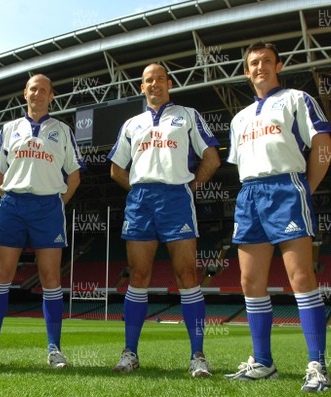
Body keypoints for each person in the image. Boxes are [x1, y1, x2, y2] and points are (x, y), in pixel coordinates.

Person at [224, 42, 331, 392]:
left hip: (287, 187)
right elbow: (240, 164)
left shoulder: (297, 99)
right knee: (249, 281)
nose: (260, 68)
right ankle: (263, 362)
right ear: (246, 70)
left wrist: (306, 187)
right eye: (253, 63)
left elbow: (323, 144)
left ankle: (317, 364)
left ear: (278, 65)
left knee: (300, 277)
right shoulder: (239, 118)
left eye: (266, 62)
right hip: (250, 194)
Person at [107, 63, 221, 376]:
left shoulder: (187, 115)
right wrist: (140, 186)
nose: (154, 84)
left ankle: (197, 356)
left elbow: (212, 157)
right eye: (148, 80)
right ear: (141, 87)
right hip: (141, 201)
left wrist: (191, 185)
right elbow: (116, 168)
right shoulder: (132, 123)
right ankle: (130, 353)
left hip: (176, 199)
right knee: (138, 275)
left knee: (187, 274)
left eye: (159, 78)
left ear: (168, 83)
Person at [0, 74, 83, 369]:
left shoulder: (62, 130)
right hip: (13, 204)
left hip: (48, 206)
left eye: (43, 90)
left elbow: (74, 175)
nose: (37, 93)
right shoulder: (9, 128)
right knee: (2, 275)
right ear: (25, 93)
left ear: (52, 96)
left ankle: (54, 350)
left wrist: (57, 202)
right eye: (33, 89)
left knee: (51, 277)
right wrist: (9, 198)